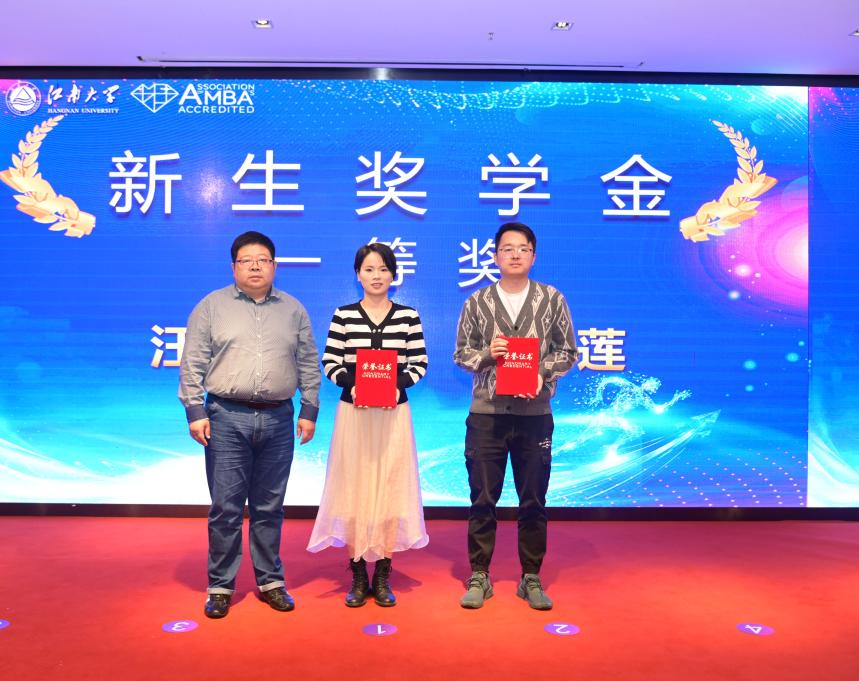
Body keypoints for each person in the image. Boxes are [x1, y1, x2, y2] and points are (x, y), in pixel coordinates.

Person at [178, 231, 321, 620]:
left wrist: (309, 409)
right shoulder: (212, 306)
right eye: (247, 260)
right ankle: (220, 586)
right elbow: (193, 361)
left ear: (275, 265)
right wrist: (195, 410)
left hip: (279, 418)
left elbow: (308, 362)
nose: (255, 266)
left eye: (263, 260)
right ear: (234, 267)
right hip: (226, 417)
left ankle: (271, 581)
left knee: (269, 507)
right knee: (225, 508)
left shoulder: (293, 309)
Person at [453, 221, 578, 610]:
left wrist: (541, 373)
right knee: (482, 499)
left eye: (523, 248)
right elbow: (461, 353)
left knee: (533, 499)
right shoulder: (477, 301)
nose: (515, 255)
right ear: (495, 256)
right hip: (486, 415)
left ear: (533, 256)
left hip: (534, 415)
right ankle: (479, 574)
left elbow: (568, 351)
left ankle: (531, 576)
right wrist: (487, 354)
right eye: (507, 249)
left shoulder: (552, 299)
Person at [307, 242, 429, 607]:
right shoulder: (344, 315)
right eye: (369, 269)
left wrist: (396, 387)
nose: (376, 276)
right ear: (358, 275)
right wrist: (354, 384)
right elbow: (330, 362)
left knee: (391, 487)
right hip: (354, 414)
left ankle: (384, 574)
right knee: (354, 488)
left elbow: (419, 364)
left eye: (383, 269)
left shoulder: (408, 317)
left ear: (394, 275)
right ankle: (359, 573)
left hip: (393, 415)